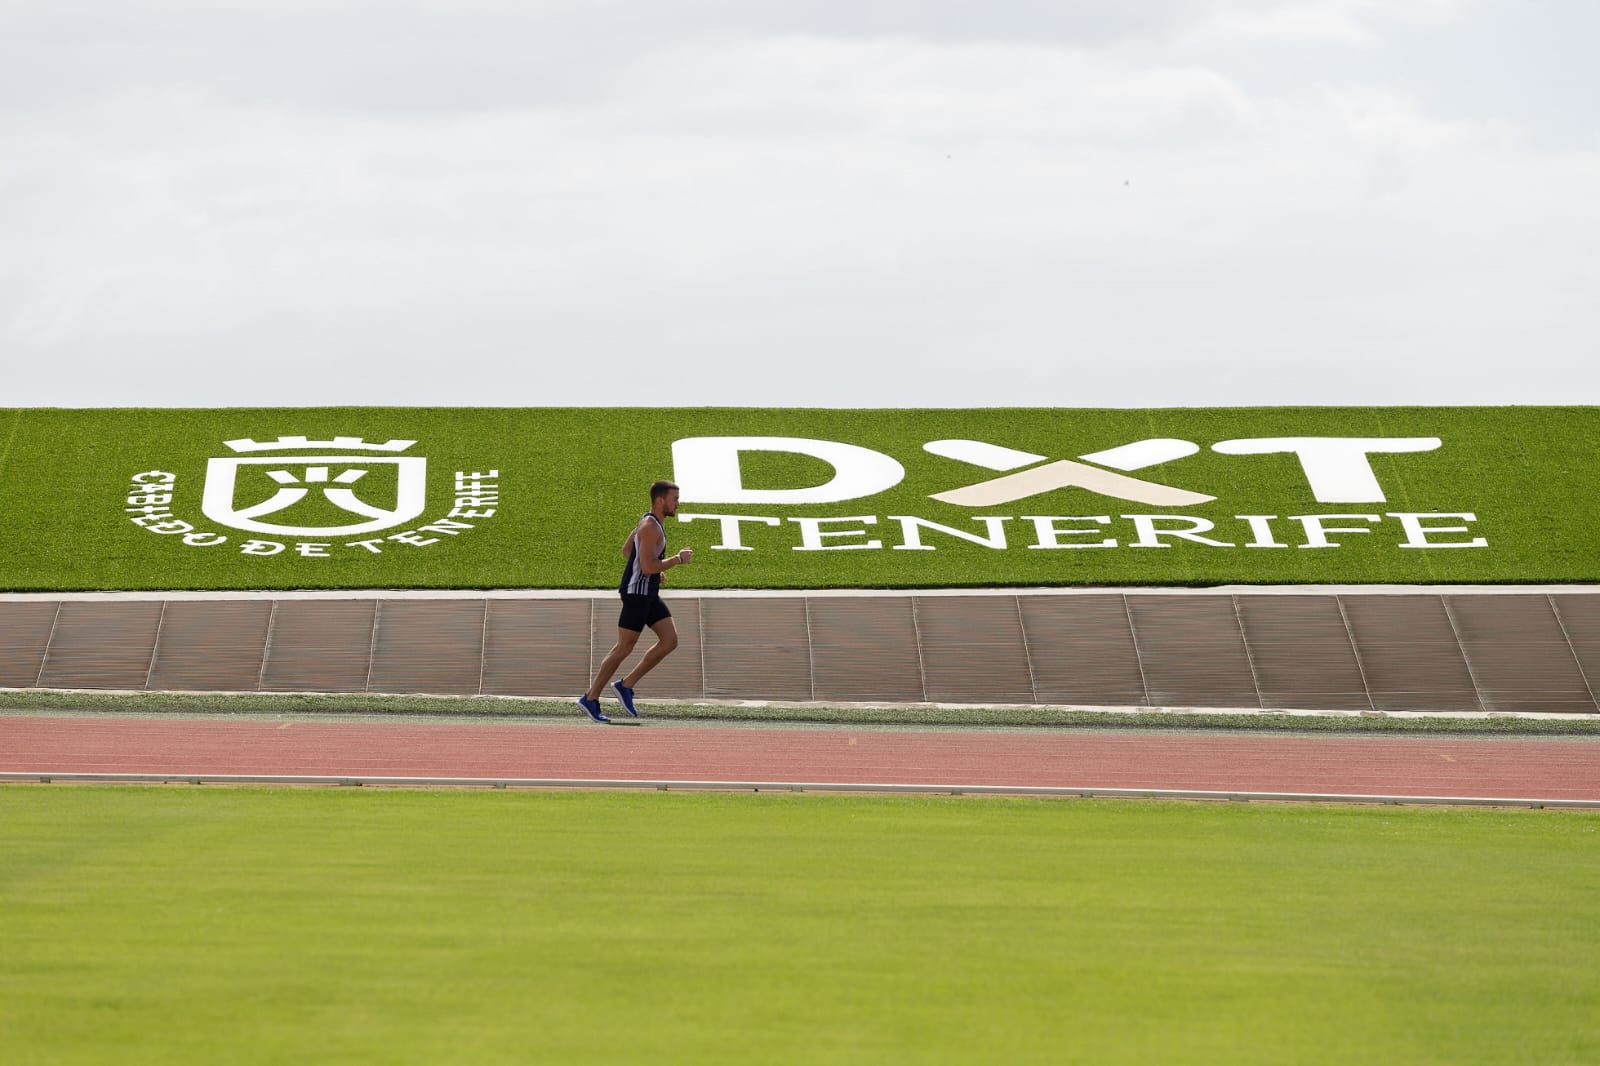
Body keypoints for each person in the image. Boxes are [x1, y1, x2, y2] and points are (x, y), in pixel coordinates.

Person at [577, 479, 693, 722]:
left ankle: (625, 685)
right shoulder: (650, 527)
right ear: (660, 500)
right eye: (675, 499)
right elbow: (647, 564)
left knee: (670, 640)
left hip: (647, 591)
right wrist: (675, 561)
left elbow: (628, 550)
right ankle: (590, 698)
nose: (678, 504)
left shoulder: (650, 522)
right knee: (623, 648)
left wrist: (650, 568)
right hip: (637, 594)